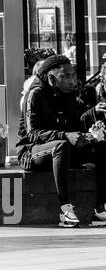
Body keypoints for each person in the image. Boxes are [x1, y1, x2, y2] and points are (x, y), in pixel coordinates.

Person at [17, 53, 106, 228]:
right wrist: (66, 136)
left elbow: (75, 124)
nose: (72, 80)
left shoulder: (68, 94)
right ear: (52, 78)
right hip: (32, 152)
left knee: (102, 145)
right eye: (66, 76)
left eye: (73, 75)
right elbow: (33, 133)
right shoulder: (35, 94)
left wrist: (90, 132)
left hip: (63, 149)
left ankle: (99, 207)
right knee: (61, 146)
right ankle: (64, 209)